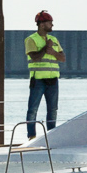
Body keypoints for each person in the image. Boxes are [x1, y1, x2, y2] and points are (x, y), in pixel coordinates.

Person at [24, 10, 65, 138]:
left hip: (53, 80)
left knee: (53, 110)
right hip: (38, 80)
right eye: (50, 23)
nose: (52, 25)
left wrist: (52, 52)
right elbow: (35, 57)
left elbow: (62, 58)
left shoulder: (54, 39)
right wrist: (45, 48)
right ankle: (32, 136)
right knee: (32, 110)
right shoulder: (31, 39)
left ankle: (51, 136)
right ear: (42, 25)